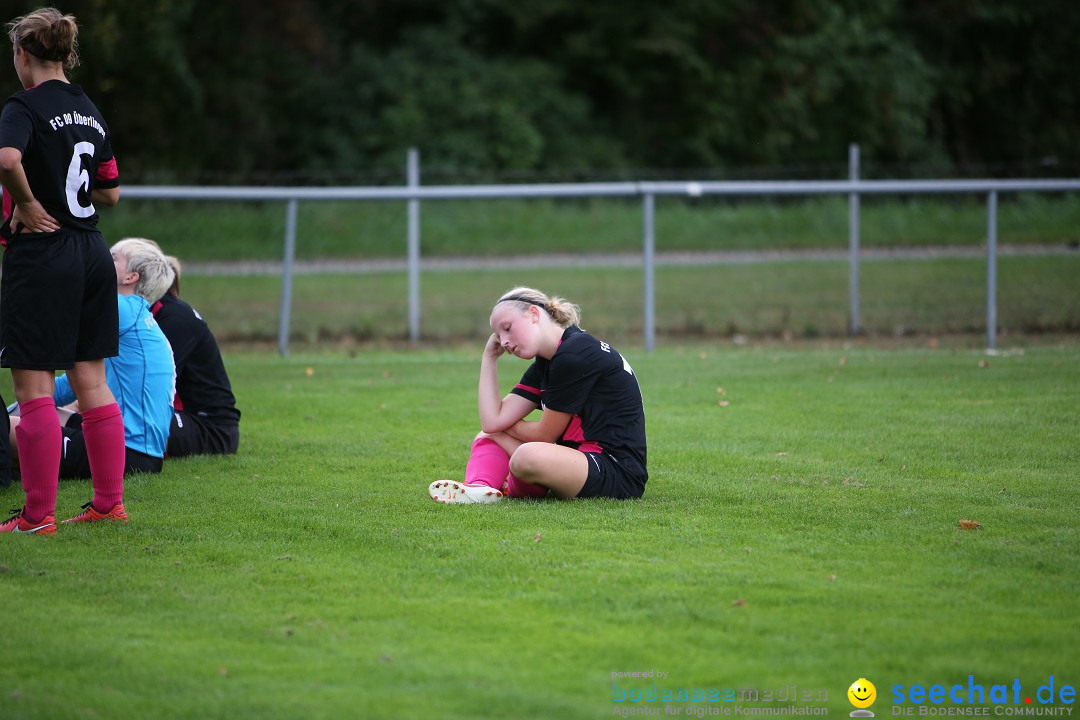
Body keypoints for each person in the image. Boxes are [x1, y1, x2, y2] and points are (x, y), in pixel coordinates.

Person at [0, 8, 126, 534]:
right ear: (66, 55)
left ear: (23, 55)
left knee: (32, 389)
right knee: (91, 382)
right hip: (93, 250)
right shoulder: (89, 109)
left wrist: (28, 201)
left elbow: (7, 159)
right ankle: (107, 504)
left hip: (43, 253)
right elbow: (111, 191)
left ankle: (36, 516)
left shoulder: (23, 105)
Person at [429, 287, 648, 504]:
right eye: (499, 335)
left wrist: (501, 426)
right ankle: (479, 489)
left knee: (527, 455)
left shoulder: (574, 354)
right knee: (486, 437)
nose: (504, 342)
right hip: (577, 460)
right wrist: (489, 358)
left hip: (616, 470)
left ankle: (508, 486)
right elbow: (491, 422)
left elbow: (544, 435)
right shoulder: (548, 360)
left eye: (507, 328)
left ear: (534, 314)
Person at [8, 238, 176, 480]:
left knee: (8, 428)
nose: (102, 258)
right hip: (135, 449)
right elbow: (75, 383)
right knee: (25, 417)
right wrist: (26, 402)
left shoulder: (122, 309)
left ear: (131, 277)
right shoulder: (134, 316)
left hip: (130, 452)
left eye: (114, 257)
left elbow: (58, 308)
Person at [149, 252, 241, 457]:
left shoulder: (174, 318)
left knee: (132, 423)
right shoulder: (148, 313)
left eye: (116, 259)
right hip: (183, 417)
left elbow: (150, 386)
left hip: (211, 429)